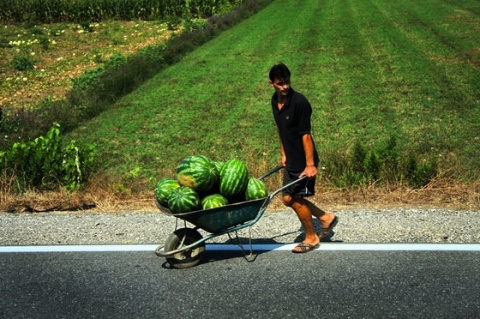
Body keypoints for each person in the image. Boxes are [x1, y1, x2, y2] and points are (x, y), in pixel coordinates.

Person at [269, 62, 338, 253]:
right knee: (288, 199)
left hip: (303, 161)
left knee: (296, 199)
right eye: (280, 83)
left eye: (287, 82)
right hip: (291, 159)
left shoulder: (300, 103)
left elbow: (306, 135)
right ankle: (325, 218)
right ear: (271, 84)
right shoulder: (275, 102)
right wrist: (283, 153)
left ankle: (311, 237)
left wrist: (310, 165)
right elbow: (281, 129)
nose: (285, 87)